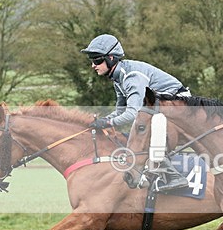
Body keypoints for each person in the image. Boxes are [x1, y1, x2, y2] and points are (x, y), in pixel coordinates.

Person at [81, 33, 190, 192]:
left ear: (111, 58)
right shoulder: (118, 78)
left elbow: (132, 114)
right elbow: (121, 111)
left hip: (179, 102)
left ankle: (173, 176)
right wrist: (104, 120)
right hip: (161, 103)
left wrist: (109, 122)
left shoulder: (131, 77)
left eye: (97, 60)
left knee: (144, 126)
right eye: (92, 61)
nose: (93, 65)